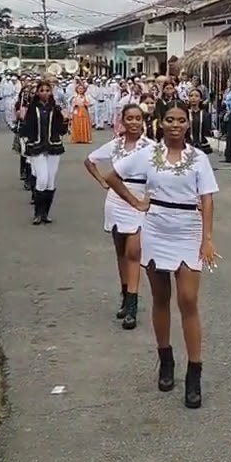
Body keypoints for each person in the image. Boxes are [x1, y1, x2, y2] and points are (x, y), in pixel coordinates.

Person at [102, 101, 218, 410]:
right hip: (155, 229)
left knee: (189, 300)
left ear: (188, 124)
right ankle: (165, 359)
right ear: (161, 122)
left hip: (187, 231)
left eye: (181, 120)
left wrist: (207, 238)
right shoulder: (147, 155)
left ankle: (195, 373)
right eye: (170, 119)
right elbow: (112, 177)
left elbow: (206, 199)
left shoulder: (199, 159)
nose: (176, 124)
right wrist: (136, 202)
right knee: (161, 299)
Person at [85, 103, 154, 330]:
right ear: (122, 121)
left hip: (139, 203)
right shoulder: (114, 146)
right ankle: (125, 296)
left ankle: (133, 306)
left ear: (143, 121)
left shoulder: (152, 148)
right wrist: (103, 182)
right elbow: (90, 160)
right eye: (129, 118)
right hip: (116, 202)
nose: (134, 122)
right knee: (121, 253)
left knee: (134, 253)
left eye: (138, 118)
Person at [19, 80, 70, 224]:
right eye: (42, 90)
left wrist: (66, 119)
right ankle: (37, 213)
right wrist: (21, 120)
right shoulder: (32, 108)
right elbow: (26, 129)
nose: (45, 93)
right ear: (37, 92)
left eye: (47, 90)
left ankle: (45, 213)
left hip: (53, 147)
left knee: (50, 182)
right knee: (42, 178)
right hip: (36, 147)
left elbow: (62, 131)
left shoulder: (56, 108)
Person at [184, 87, 215, 154]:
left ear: (201, 99)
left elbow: (207, 131)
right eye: (191, 96)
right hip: (187, 146)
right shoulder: (184, 113)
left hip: (202, 146)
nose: (193, 98)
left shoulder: (205, 114)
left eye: (196, 96)